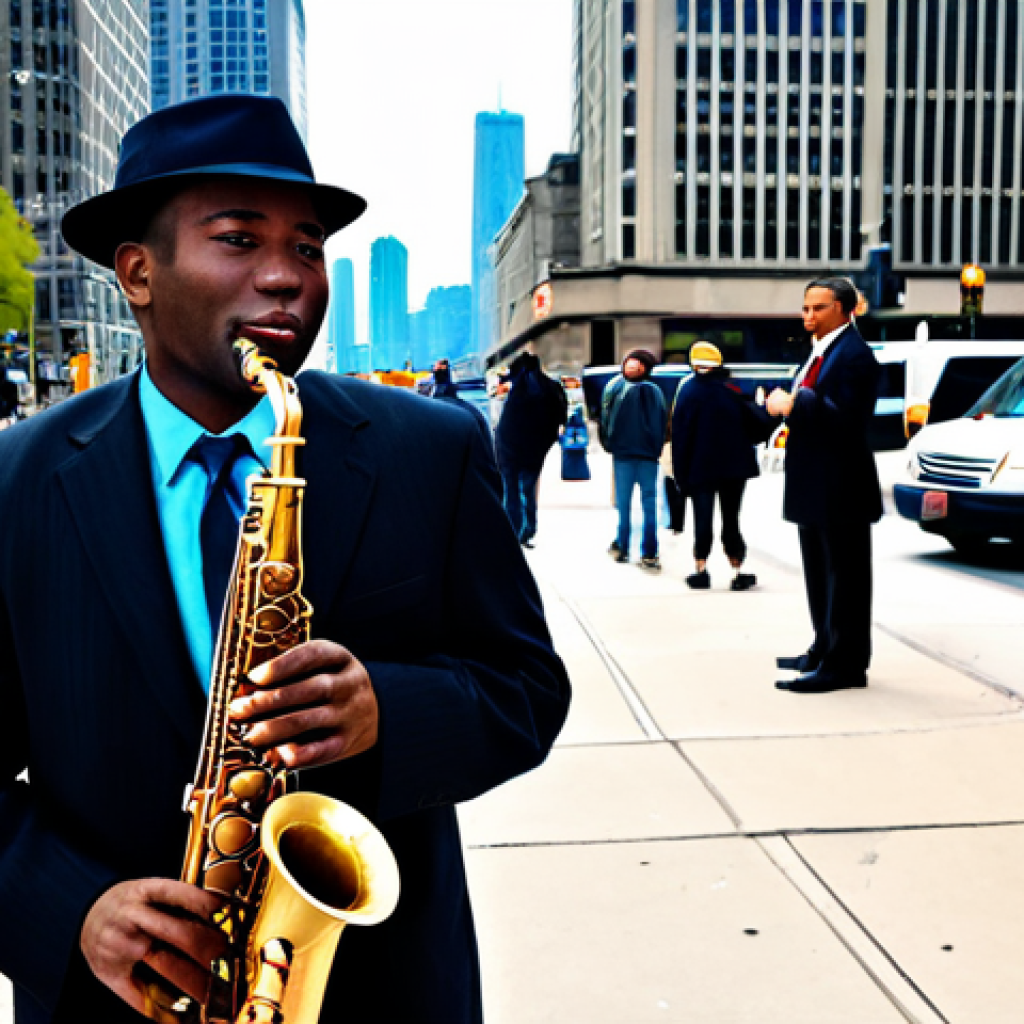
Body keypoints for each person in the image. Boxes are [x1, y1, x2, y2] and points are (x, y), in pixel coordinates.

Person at [0, 94, 570, 1024]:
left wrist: (388, 707)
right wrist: (73, 910)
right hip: (117, 1001)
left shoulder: (426, 449)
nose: (287, 280)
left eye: (308, 248)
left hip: (383, 990)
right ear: (138, 273)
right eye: (238, 240)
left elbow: (528, 691)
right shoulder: (16, 483)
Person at [766, 276, 882, 693]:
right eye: (805, 307)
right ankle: (824, 648)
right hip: (816, 485)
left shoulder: (855, 356)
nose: (808, 315)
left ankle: (845, 665)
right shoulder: (819, 353)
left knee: (845, 578)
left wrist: (794, 403)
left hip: (842, 486)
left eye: (818, 308)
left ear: (843, 309)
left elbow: (847, 419)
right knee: (820, 574)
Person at [671, 341, 776, 591]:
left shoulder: (688, 391)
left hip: (700, 467)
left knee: (702, 519)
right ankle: (737, 568)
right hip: (734, 467)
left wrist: (680, 474)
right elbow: (757, 424)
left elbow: (681, 435)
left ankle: (701, 568)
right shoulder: (733, 389)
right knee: (731, 519)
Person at [600, 349, 667, 573]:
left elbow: (606, 419)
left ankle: (622, 546)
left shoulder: (616, 387)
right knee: (649, 503)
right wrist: (655, 448)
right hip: (647, 456)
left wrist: (609, 444)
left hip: (624, 455)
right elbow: (663, 424)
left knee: (624, 504)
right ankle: (649, 552)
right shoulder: (655, 392)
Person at [493, 351, 567, 548]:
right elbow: (560, 420)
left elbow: (504, 425)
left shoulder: (514, 390)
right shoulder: (551, 389)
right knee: (528, 490)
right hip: (535, 453)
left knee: (511, 492)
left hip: (509, 452)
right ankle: (528, 531)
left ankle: (512, 533)